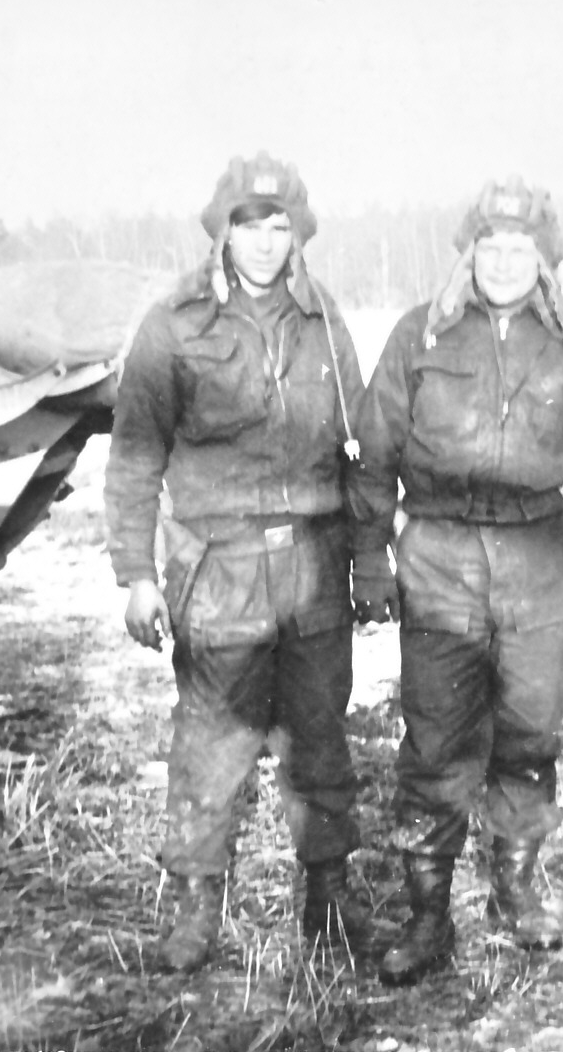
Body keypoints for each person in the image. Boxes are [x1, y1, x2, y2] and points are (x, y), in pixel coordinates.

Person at [351, 177, 563, 985]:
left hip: (536, 558)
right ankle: (428, 914)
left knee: (529, 731)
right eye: (491, 245)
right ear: (468, 253)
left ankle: (515, 887)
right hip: (438, 555)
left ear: (545, 260)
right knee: (436, 738)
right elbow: (374, 451)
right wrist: (369, 555)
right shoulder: (420, 334)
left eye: (522, 248)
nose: (505, 260)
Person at [105, 152, 372, 972]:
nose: (263, 241)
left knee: (319, 737)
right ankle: (195, 908)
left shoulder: (323, 319)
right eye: (248, 225)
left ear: (298, 235)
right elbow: (135, 458)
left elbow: (359, 449)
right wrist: (137, 574)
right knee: (211, 746)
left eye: (279, 226)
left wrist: (371, 561)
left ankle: (327, 896)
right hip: (218, 571)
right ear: (222, 231)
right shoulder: (173, 324)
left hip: (314, 568)